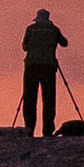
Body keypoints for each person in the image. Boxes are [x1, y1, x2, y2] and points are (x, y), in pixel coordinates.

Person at [21, 8, 69, 136]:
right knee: (49, 100)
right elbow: (64, 43)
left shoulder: (30, 29)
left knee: (29, 98)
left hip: (31, 67)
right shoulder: (54, 30)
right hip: (48, 67)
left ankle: (29, 129)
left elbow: (24, 47)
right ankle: (47, 131)